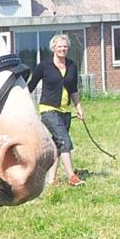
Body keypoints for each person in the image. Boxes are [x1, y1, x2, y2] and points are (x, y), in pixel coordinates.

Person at [29, 33, 86, 186]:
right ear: (53, 48)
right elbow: (31, 85)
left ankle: (52, 179)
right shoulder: (44, 65)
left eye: (65, 47)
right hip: (48, 109)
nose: (63, 49)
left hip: (65, 110)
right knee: (64, 141)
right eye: (60, 46)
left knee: (57, 145)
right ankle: (72, 177)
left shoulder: (72, 65)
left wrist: (78, 107)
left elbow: (73, 89)